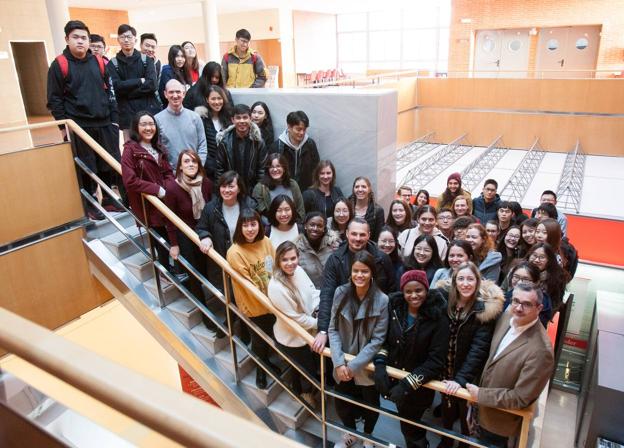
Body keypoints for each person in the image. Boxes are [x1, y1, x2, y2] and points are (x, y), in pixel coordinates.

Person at [47, 20, 121, 220]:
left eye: (84, 38)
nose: (80, 42)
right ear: (67, 39)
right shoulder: (59, 65)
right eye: (76, 37)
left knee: (107, 163)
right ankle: (90, 204)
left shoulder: (98, 62)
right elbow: (54, 99)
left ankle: (108, 199)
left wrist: (114, 120)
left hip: (105, 123)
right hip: (79, 126)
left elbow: (111, 92)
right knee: (87, 167)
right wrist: (64, 127)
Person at [466, 283, 554, 447]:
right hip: (480, 410)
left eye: (526, 304)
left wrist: (481, 395)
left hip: (499, 424)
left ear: (539, 308)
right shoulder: (507, 318)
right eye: (515, 301)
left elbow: (521, 397)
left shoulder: (542, 350)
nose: (519, 308)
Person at [374, 270, 449, 448]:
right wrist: (379, 366)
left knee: (410, 427)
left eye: (419, 290)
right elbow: (385, 341)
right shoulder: (395, 309)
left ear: (426, 290)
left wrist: (406, 386)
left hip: (418, 388)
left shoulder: (438, 317)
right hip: (395, 379)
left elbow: (435, 361)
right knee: (406, 423)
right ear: (402, 292)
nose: (413, 295)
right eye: (408, 291)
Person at [436, 262, 504, 448]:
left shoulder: (483, 310)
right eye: (461, 278)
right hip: (445, 368)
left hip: (467, 374)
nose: (465, 283)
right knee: (447, 407)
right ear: (454, 281)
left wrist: (460, 379)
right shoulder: (444, 302)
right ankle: (446, 439)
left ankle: (465, 443)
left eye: (470, 279)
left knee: (467, 412)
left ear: (477, 281)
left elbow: (479, 349)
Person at [329, 250, 389, 448]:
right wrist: (339, 362)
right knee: (343, 403)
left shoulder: (382, 300)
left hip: (365, 365)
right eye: (356, 271)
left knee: (371, 405)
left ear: (372, 273)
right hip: (342, 362)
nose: (359, 275)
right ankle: (350, 432)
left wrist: (353, 366)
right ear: (350, 271)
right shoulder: (340, 292)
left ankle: (368, 436)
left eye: (364, 271)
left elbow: (377, 340)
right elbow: (333, 329)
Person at [312, 218, 397, 354]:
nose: (358, 238)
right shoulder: (335, 259)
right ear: (347, 234)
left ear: (369, 235)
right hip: (344, 325)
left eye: (362, 234)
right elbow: (327, 295)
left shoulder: (382, 259)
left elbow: (393, 292)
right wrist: (323, 329)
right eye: (354, 234)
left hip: (374, 324)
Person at [164, 150, 224, 336]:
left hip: (206, 234)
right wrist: (174, 244)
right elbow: (170, 219)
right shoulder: (173, 188)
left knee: (213, 272)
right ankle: (207, 316)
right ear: (180, 166)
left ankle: (226, 310)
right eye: (186, 161)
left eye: (194, 161)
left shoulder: (206, 184)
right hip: (186, 238)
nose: (191, 164)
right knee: (195, 277)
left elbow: (213, 209)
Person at [226, 208, 278, 389]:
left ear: (259, 225)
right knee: (258, 341)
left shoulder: (266, 242)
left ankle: (266, 364)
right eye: (245, 225)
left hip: (273, 302)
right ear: (239, 227)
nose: (250, 229)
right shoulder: (235, 251)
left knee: (269, 337)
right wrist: (268, 302)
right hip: (254, 305)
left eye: (253, 224)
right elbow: (247, 283)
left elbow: (275, 268)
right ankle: (260, 372)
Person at [268, 241, 320, 405]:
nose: (290, 263)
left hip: (307, 330)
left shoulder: (299, 270)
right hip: (292, 338)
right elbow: (295, 319)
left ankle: (302, 391)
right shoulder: (276, 286)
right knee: (306, 371)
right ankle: (305, 396)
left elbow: (312, 290)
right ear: (278, 261)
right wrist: (320, 324)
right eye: (285, 260)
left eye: (293, 258)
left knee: (303, 369)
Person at [121, 111, 174, 272]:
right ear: (136, 128)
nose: (148, 128)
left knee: (171, 237)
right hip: (148, 205)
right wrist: (156, 189)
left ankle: (172, 268)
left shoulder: (158, 147)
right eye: (143, 124)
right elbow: (130, 181)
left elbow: (168, 173)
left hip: (165, 201)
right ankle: (166, 271)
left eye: (151, 124)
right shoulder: (130, 150)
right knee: (161, 241)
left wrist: (168, 188)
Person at [196, 171, 257, 290]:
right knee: (225, 294)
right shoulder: (211, 208)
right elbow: (201, 227)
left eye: (231, 186)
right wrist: (205, 236)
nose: (226, 190)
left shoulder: (249, 205)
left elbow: (258, 228)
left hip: (245, 259)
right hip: (221, 261)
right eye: (223, 186)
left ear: (239, 189)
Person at [107, 24, 160, 138]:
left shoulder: (146, 60)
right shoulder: (113, 63)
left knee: (152, 148)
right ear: (118, 40)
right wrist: (139, 81)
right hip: (127, 117)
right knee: (131, 150)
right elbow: (116, 87)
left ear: (135, 40)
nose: (126, 40)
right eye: (122, 37)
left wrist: (128, 91)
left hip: (148, 113)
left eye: (129, 37)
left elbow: (152, 85)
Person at [155, 80, 207, 168]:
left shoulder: (195, 117)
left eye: (178, 92)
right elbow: (155, 149)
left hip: (194, 171)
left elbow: (202, 145)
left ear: (184, 93)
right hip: (170, 175)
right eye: (171, 92)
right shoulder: (157, 119)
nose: (175, 96)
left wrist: (198, 167)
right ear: (165, 94)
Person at [215, 104, 267, 191]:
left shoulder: (258, 142)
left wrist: (258, 191)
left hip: (252, 188)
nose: (242, 121)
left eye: (245, 117)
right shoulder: (224, 142)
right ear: (233, 120)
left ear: (250, 119)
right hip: (230, 188)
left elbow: (262, 170)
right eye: (238, 118)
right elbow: (219, 169)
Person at [270, 111, 320, 192]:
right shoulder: (277, 146)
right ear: (289, 127)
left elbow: (316, 168)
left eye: (304, 130)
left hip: (306, 192)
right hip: (283, 191)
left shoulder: (310, 144)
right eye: (299, 129)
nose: (302, 133)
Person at [193, 85, 230, 181]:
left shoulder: (229, 118)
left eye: (219, 98)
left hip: (228, 170)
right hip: (208, 170)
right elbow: (199, 144)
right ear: (207, 100)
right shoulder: (201, 119)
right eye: (213, 99)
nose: (217, 102)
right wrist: (212, 166)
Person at [252, 153, 305, 220]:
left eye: (278, 166)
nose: (275, 170)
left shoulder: (293, 184)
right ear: (267, 170)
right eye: (271, 167)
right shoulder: (260, 187)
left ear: (284, 168)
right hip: (270, 226)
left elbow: (300, 210)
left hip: (292, 225)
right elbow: (259, 212)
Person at [501, 261, 552, 327]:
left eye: (526, 279)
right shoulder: (507, 296)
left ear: (536, 282)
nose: (519, 282)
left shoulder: (541, 301)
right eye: (516, 277)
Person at [296, 212, 340, 289]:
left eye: (319, 226)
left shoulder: (334, 244)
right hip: (309, 293)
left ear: (324, 228)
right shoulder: (297, 248)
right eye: (312, 225)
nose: (315, 228)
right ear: (305, 226)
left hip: (331, 291)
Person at [526, 242, 568, 312]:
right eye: (534, 255)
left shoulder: (556, 278)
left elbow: (555, 304)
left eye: (542, 257)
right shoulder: (520, 269)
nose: (536, 260)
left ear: (549, 260)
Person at [350, 176, 385, 241]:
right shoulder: (347, 207)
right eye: (357, 187)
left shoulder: (378, 211)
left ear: (369, 189)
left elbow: (379, 236)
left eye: (363, 186)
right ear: (353, 189)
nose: (360, 189)